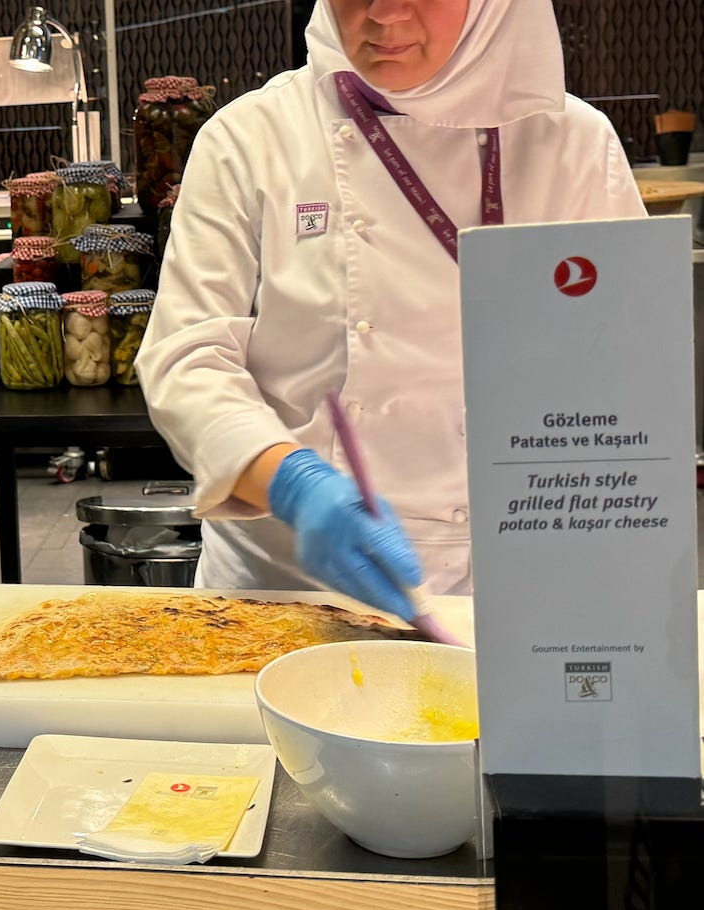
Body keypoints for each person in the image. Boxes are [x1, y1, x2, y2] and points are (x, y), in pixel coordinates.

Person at [136, 0, 644, 621]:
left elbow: (623, 372)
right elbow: (186, 355)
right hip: (289, 581)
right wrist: (291, 481)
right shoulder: (252, 136)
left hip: (511, 577)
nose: (384, 14)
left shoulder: (572, 142)